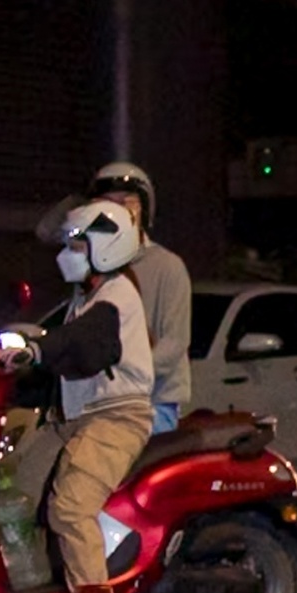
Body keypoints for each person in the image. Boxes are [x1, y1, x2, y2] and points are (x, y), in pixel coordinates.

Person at [32, 194, 157, 593]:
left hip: (116, 417)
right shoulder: (84, 299)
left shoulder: (115, 297)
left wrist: (39, 348)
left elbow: (83, 345)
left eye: (77, 245)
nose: (68, 255)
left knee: (70, 507)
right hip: (81, 417)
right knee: (15, 490)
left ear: (105, 248)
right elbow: (65, 355)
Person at [82, 159, 194, 432]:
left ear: (144, 209)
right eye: (107, 204)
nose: (117, 211)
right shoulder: (90, 268)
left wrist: (122, 374)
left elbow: (174, 343)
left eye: (127, 202)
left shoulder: (167, 266)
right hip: (100, 404)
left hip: (152, 405)